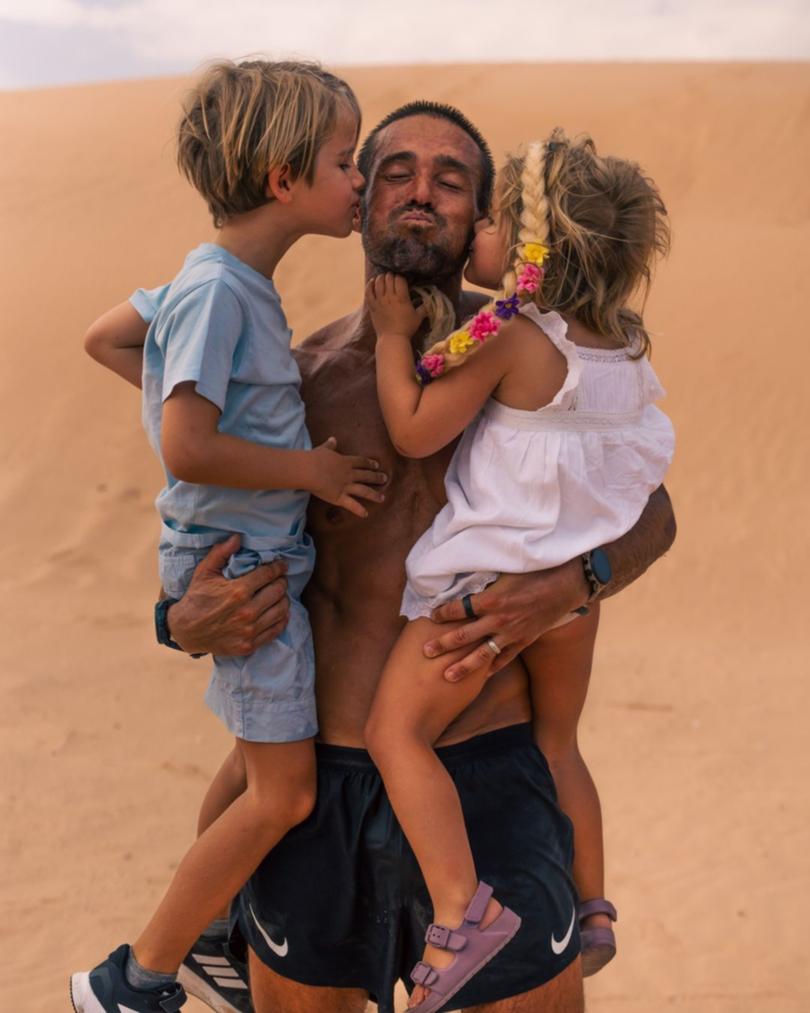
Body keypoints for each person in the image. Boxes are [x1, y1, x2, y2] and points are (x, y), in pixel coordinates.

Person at [87, 101, 677, 1013]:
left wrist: (573, 581)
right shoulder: (299, 379)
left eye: (452, 179)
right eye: (394, 169)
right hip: (326, 783)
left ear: (493, 219)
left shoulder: (541, 358)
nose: (420, 191)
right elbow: (214, 521)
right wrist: (176, 619)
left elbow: (656, 511)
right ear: (358, 200)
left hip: (489, 769)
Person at [69, 59, 386, 1013]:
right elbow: (190, 443)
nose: (361, 180)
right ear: (285, 180)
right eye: (346, 160)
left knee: (258, 763)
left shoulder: (211, 284)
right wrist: (307, 468)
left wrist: (200, 396)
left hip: (250, 558)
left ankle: (207, 934)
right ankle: (137, 979)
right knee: (284, 792)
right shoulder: (219, 292)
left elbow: (106, 337)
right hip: (242, 574)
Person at [362, 127, 674, 1009]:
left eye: (495, 218)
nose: (482, 235)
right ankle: (595, 906)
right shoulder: (621, 345)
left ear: (535, 249)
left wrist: (393, 335)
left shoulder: (515, 337)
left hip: (483, 591)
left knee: (396, 734)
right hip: (574, 595)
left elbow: (416, 428)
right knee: (559, 739)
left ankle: (464, 910)